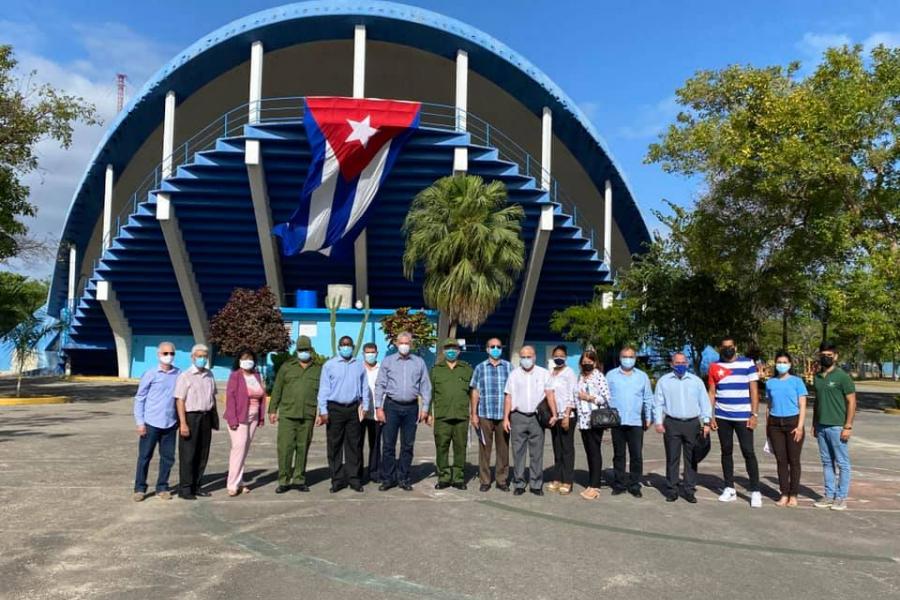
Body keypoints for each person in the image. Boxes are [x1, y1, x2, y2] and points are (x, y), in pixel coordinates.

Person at [374, 332, 432, 491]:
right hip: (391, 407)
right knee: (388, 445)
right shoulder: (388, 362)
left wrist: (425, 409)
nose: (404, 345)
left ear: (411, 344)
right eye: (402, 342)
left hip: (411, 408)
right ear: (396, 344)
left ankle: (404, 478)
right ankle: (388, 478)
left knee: (407, 445)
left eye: (407, 342)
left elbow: (426, 387)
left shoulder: (419, 363)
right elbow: (380, 385)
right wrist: (378, 407)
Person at [708, 337, 762, 508]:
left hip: (743, 416)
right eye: (724, 347)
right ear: (719, 349)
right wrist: (711, 416)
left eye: (730, 347)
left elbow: (754, 390)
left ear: (735, 347)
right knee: (726, 451)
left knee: (748, 451)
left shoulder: (747, 364)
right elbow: (711, 392)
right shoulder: (714, 366)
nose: (727, 349)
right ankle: (729, 488)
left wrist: (754, 414)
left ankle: (755, 491)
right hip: (723, 416)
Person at [654, 353, 711, 503]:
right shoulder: (664, 381)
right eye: (677, 362)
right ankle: (672, 489)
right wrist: (658, 422)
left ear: (687, 364)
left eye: (683, 362)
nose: (680, 365)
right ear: (672, 364)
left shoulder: (696, 381)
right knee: (672, 458)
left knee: (691, 459)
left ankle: (689, 490)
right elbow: (658, 403)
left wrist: (706, 422)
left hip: (692, 423)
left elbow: (704, 402)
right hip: (672, 423)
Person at [268, 336, 321, 493]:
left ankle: (299, 479)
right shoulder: (287, 367)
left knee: (303, 447)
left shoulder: (318, 369)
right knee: (285, 448)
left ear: (311, 351)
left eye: (306, 350)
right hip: (288, 414)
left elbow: (323, 393)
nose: (303, 352)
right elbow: (277, 389)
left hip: (308, 414)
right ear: (296, 351)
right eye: (300, 350)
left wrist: (321, 413)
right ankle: (283, 480)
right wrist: (272, 410)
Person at [503, 345, 556, 496]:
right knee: (518, 452)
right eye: (523, 357)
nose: (526, 359)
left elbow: (550, 395)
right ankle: (519, 483)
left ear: (534, 357)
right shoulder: (514, 374)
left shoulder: (544, 373)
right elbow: (508, 397)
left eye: (529, 356)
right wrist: (506, 418)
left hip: (536, 418)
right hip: (517, 416)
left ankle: (536, 484)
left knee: (536, 452)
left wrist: (554, 414)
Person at [318, 336, 367, 493]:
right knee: (335, 445)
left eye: (348, 345)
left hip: (353, 409)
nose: (346, 347)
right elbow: (324, 389)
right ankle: (337, 479)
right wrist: (323, 410)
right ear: (339, 347)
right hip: (335, 409)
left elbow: (364, 387)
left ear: (353, 347)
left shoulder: (359, 365)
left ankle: (354, 479)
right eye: (343, 345)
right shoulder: (329, 365)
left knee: (354, 445)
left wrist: (365, 406)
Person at [811, 342, 856, 511]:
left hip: (838, 426)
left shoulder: (842, 377)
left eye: (829, 355)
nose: (826, 357)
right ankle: (829, 496)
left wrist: (848, 425)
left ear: (836, 356)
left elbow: (851, 401)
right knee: (826, 462)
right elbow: (817, 403)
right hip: (821, 426)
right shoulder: (818, 377)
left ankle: (841, 497)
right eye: (823, 354)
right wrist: (815, 423)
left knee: (842, 463)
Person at [132, 341, 180, 502]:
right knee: (145, 456)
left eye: (172, 353)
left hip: (170, 423)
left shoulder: (178, 374)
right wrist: (140, 422)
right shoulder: (151, 374)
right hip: (151, 422)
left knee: (168, 457)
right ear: (158, 355)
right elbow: (140, 398)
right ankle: (140, 488)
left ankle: (162, 487)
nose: (169, 356)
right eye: (165, 353)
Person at [606, 345, 654, 498]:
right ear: (620, 358)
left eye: (631, 356)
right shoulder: (611, 375)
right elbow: (605, 398)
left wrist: (649, 417)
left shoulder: (642, 377)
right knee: (619, 455)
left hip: (635, 421)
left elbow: (648, 398)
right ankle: (619, 484)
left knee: (636, 455)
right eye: (625, 356)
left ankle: (634, 485)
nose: (628, 359)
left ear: (635, 358)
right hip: (617, 421)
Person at [174, 344, 219, 500]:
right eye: (199, 356)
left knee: (202, 453)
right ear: (192, 358)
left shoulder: (210, 375)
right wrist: (183, 423)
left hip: (205, 417)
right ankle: (185, 488)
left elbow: (213, 396)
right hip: (191, 417)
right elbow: (180, 400)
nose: (202, 359)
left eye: (204, 356)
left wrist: (214, 419)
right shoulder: (185, 376)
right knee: (188, 454)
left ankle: (197, 485)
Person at [429, 338, 474, 490]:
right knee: (441, 447)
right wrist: (429, 413)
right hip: (442, 416)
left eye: (454, 348)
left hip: (461, 416)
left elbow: (473, 393)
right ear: (443, 351)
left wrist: (474, 413)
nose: (451, 351)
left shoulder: (467, 369)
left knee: (460, 447)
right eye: (448, 348)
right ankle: (444, 477)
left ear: (459, 350)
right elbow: (430, 393)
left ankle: (458, 478)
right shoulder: (436, 370)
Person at [765, 350, 808, 507]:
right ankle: (784, 493)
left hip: (793, 422)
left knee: (794, 460)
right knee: (781, 460)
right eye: (779, 362)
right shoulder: (770, 383)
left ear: (789, 364)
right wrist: (768, 427)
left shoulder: (797, 382)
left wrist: (800, 427)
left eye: (784, 362)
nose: (781, 365)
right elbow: (769, 407)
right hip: (775, 424)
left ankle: (793, 494)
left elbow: (803, 404)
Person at [470, 338, 512, 492]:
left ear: (502, 349)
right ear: (487, 349)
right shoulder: (480, 368)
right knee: (484, 449)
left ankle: (502, 480)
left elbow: (512, 392)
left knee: (503, 449)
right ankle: (485, 480)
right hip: (485, 414)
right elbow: (475, 391)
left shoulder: (509, 367)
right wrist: (473, 413)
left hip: (503, 416)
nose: (495, 349)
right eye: (492, 346)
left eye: (498, 346)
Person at [224, 350, 266, 497]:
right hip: (239, 418)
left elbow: (262, 397)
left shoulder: (256, 376)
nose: (248, 361)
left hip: (253, 418)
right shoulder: (235, 376)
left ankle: (239, 482)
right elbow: (230, 399)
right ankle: (232, 484)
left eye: (250, 358)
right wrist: (232, 419)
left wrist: (261, 417)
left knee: (244, 450)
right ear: (239, 360)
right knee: (238, 449)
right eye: (244, 358)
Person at [574, 349, 610, 500]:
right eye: (584, 361)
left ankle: (595, 486)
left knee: (595, 451)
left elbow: (606, 398)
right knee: (589, 452)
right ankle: (591, 483)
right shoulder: (580, 377)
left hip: (595, 419)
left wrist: (588, 397)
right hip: (583, 420)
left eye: (590, 361)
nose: (587, 364)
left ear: (595, 363)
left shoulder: (598, 376)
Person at [547, 345, 576, 495]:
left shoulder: (569, 372)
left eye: (562, 355)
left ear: (566, 357)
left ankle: (567, 481)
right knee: (557, 449)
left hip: (566, 416)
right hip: (555, 416)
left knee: (567, 449)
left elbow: (572, 394)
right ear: (552, 356)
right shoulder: (552, 373)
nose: (559, 357)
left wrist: (566, 415)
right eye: (556, 355)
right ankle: (557, 478)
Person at [358, 342, 382, 484]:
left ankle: (374, 472)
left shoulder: (382, 369)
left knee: (375, 444)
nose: (370, 355)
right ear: (363, 354)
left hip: (376, 412)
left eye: (372, 352)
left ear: (377, 353)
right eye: (367, 352)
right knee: (358, 444)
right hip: (361, 412)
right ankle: (358, 472)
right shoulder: (358, 368)